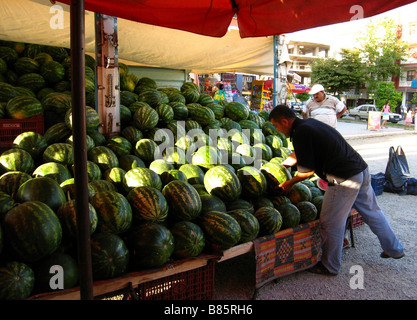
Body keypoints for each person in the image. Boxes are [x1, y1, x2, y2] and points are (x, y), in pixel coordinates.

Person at [269, 105, 405, 276]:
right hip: (360, 169)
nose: (277, 130)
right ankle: (394, 249)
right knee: (373, 212)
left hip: (344, 179)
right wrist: (284, 163)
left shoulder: (300, 133)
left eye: (277, 126)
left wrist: (289, 183)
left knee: (330, 223)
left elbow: (307, 172)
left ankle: (330, 266)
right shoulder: (309, 124)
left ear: (284, 121)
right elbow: (304, 152)